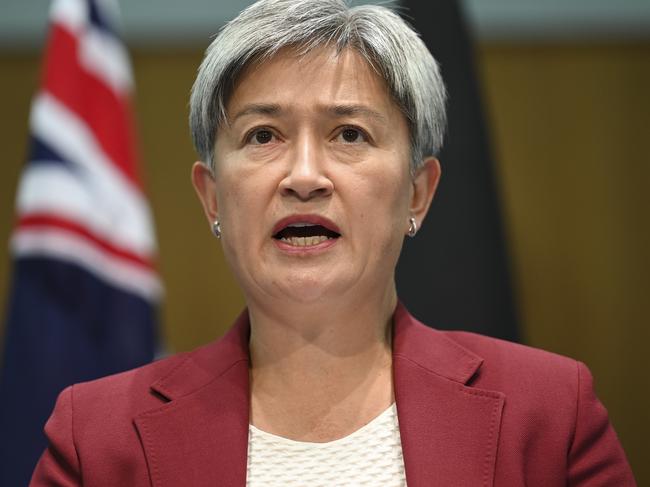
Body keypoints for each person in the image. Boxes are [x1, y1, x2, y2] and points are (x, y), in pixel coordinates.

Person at [31, 0, 635, 485]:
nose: (303, 176)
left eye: (349, 133)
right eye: (263, 135)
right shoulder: (98, 439)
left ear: (418, 194)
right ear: (213, 198)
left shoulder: (551, 415)